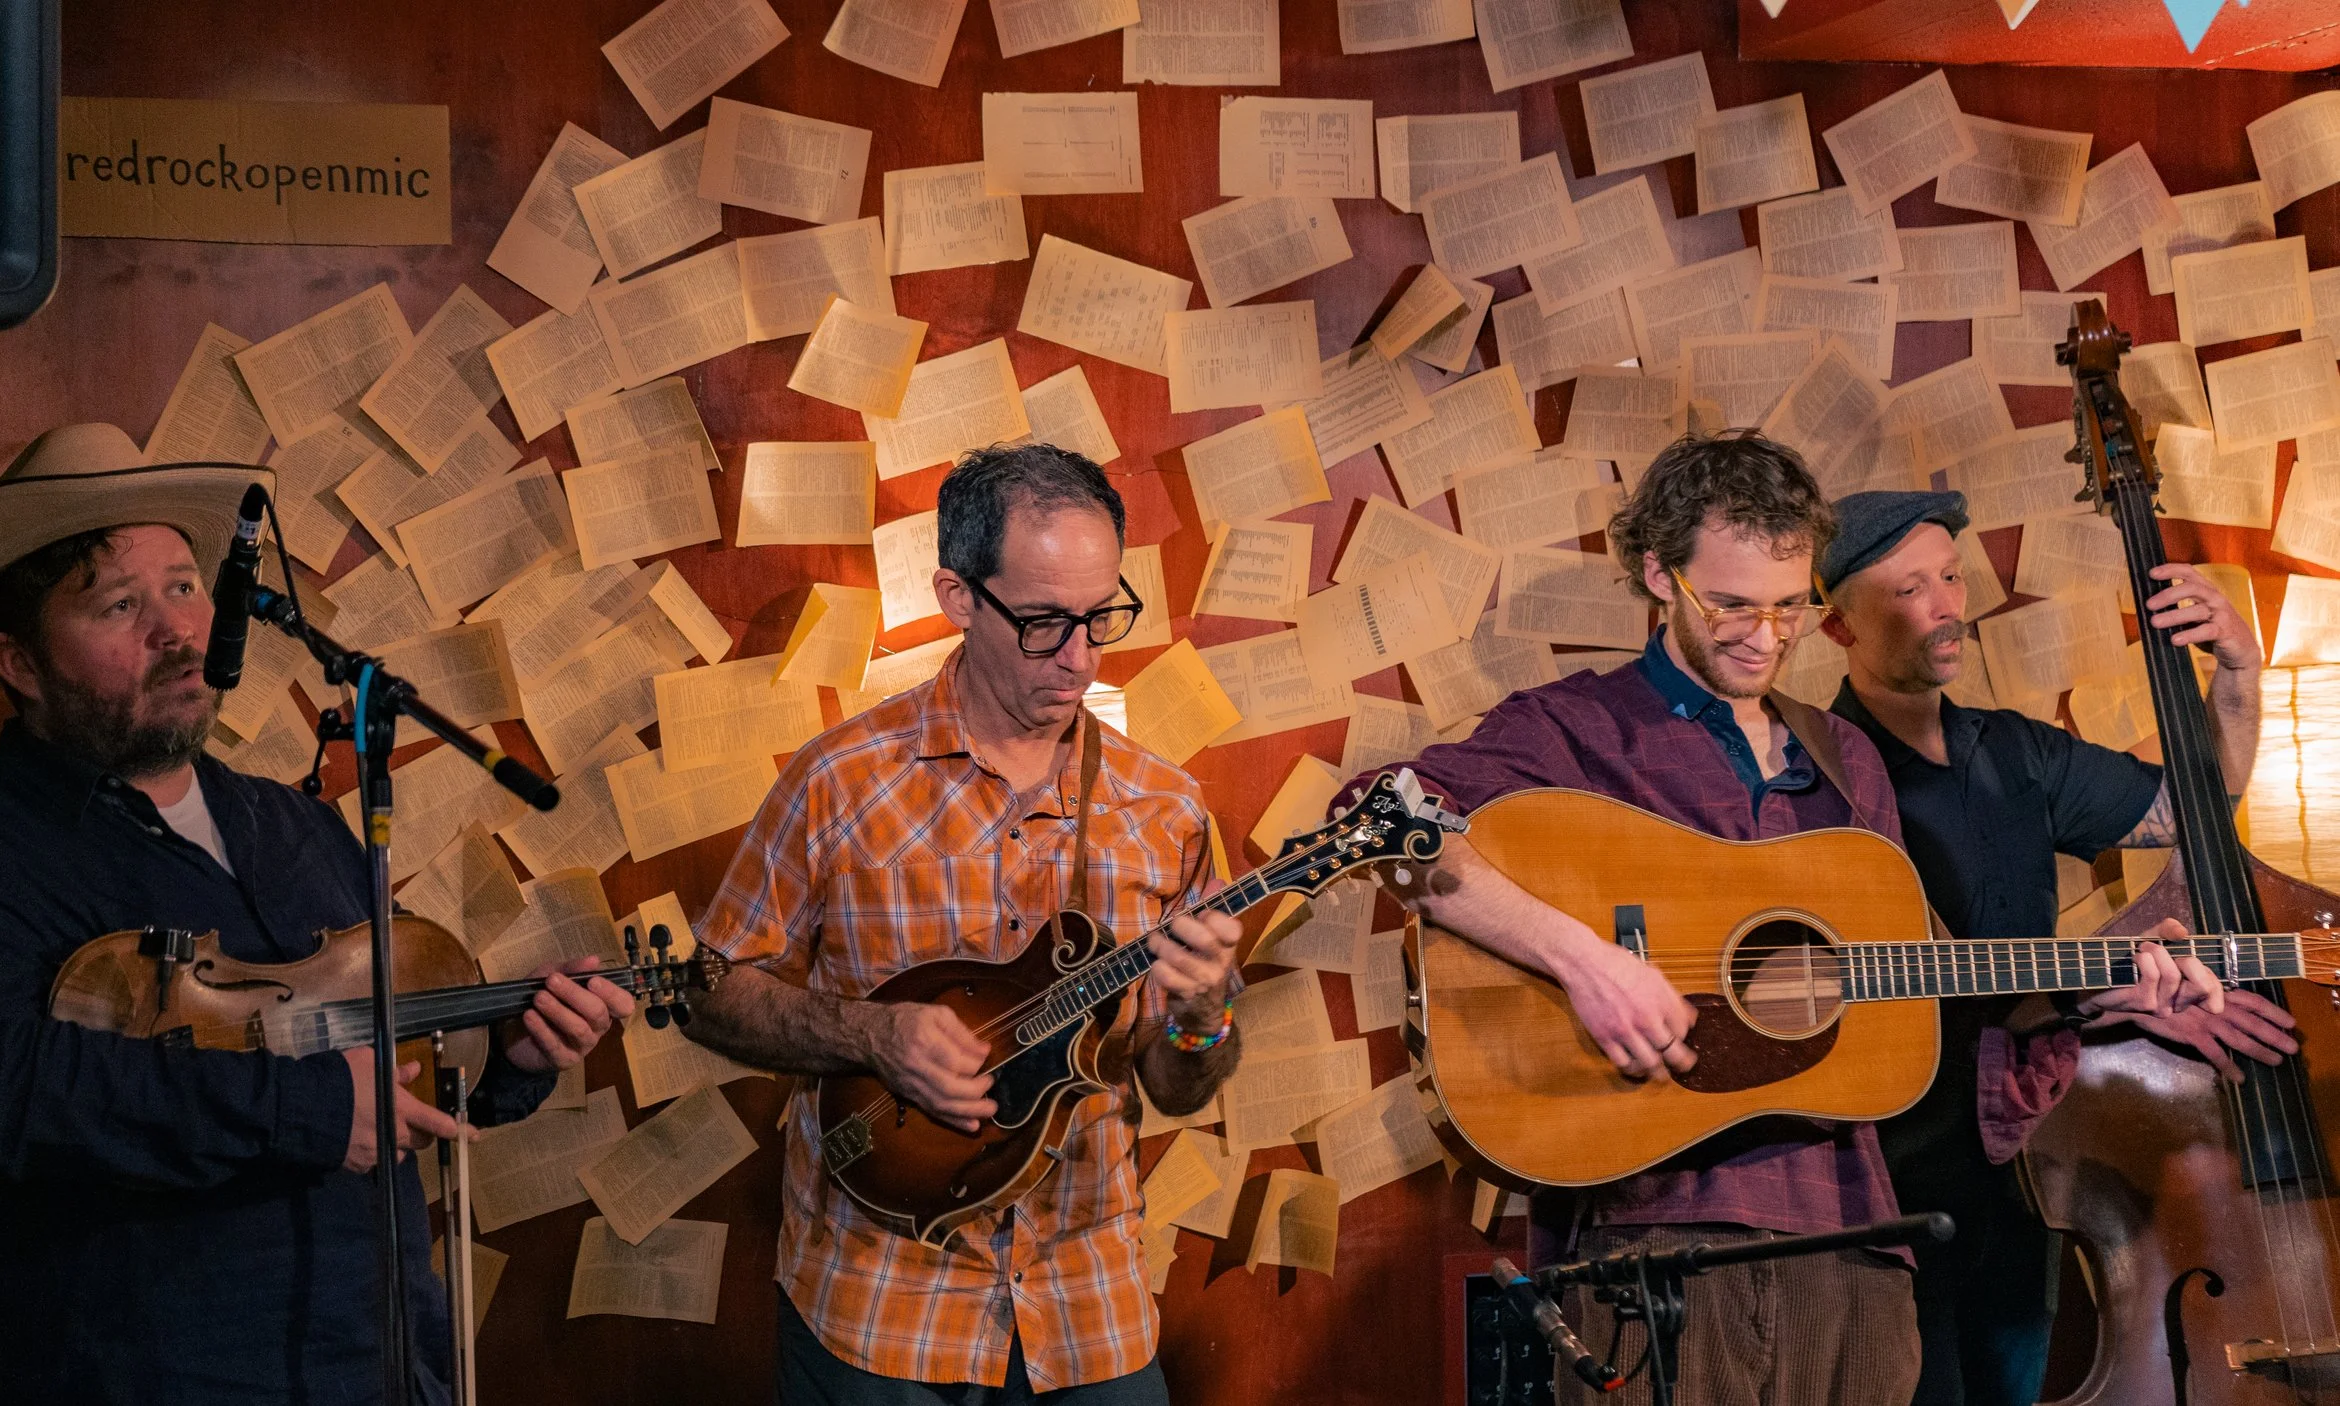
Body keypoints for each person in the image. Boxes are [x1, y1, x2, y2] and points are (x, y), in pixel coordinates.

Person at [1350, 434, 2215, 1405]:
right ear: (1655, 573)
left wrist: (2101, 975)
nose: (1763, 635)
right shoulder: (1575, 728)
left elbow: (1913, 985)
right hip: (1655, 1249)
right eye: (1729, 602)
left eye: (1789, 603)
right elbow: (1376, 822)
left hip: (1853, 1248)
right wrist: (1583, 958)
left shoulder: (1840, 756)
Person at [0, 424, 634, 1406]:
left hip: (385, 1364)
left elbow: (385, 1073)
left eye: (183, 585)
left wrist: (511, 1051)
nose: (177, 630)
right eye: (119, 603)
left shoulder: (292, 827)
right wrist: (304, 1109)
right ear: (18, 660)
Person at [681, 442, 1242, 1405]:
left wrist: (1200, 1015)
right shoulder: (840, 782)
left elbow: (1179, 1083)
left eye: (1102, 617)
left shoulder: (1169, 810)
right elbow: (706, 993)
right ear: (957, 597)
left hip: (1087, 1314)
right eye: (1042, 622)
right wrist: (868, 1033)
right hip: (877, 1309)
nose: (1080, 657)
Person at [1817, 489, 2282, 1406]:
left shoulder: (2018, 753)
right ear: (1838, 627)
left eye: (1952, 577)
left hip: (2020, 1165)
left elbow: (2196, 801)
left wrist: (2238, 670)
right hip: (1870, 1181)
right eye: (1912, 589)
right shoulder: (1807, 769)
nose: (1949, 606)